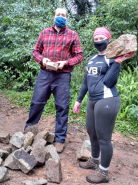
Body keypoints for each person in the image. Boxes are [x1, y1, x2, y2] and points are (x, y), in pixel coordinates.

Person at [73, 27, 134, 183]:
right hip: (92, 101)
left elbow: (109, 81)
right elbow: (86, 81)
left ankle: (104, 173)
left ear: (108, 39)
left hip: (107, 100)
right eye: (96, 38)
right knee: (92, 133)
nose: (99, 41)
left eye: (102, 38)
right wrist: (79, 100)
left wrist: (118, 61)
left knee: (104, 138)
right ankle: (94, 160)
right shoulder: (92, 59)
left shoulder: (112, 58)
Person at [24, 7, 83, 153]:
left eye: (63, 15)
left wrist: (66, 62)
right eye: (58, 15)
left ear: (67, 18)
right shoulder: (44, 33)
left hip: (62, 76)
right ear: (54, 17)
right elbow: (35, 52)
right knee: (36, 102)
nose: (61, 17)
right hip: (45, 74)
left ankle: (60, 139)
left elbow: (79, 56)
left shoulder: (72, 35)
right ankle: (29, 131)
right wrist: (42, 59)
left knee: (62, 106)